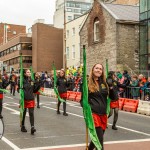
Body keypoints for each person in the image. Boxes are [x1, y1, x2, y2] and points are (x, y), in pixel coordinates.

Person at [86, 63, 109, 150]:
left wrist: (111, 88)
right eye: (96, 68)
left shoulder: (104, 84)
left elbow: (112, 97)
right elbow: (83, 100)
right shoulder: (87, 83)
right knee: (100, 140)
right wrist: (87, 109)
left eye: (100, 69)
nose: (98, 70)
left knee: (97, 139)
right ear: (93, 69)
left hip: (103, 113)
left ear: (102, 71)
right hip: (93, 114)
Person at [18, 69, 43, 134]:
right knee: (23, 113)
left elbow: (34, 90)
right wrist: (20, 89)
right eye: (28, 72)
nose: (29, 73)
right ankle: (22, 126)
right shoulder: (21, 81)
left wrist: (38, 84)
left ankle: (32, 127)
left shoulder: (32, 80)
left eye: (29, 72)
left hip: (31, 99)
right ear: (24, 73)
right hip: (24, 99)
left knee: (31, 113)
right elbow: (18, 89)